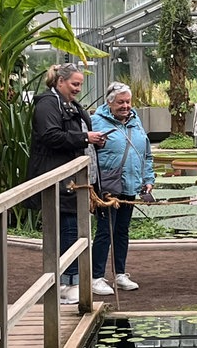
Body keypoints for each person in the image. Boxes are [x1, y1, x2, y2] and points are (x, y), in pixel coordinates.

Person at [25, 63, 107, 305]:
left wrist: (93, 141)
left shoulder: (71, 105)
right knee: (67, 229)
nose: (78, 89)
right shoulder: (47, 104)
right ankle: (65, 283)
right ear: (60, 82)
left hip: (75, 181)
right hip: (58, 181)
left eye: (80, 84)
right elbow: (50, 136)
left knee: (73, 228)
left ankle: (71, 280)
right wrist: (84, 138)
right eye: (74, 84)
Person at [90, 82, 155, 295]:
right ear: (110, 102)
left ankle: (120, 274)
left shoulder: (136, 122)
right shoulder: (96, 122)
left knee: (122, 231)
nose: (125, 106)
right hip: (108, 187)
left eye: (128, 101)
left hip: (130, 185)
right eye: (120, 102)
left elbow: (145, 154)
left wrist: (148, 179)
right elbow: (88, 156)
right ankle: (96, 276)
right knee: (104, 230)